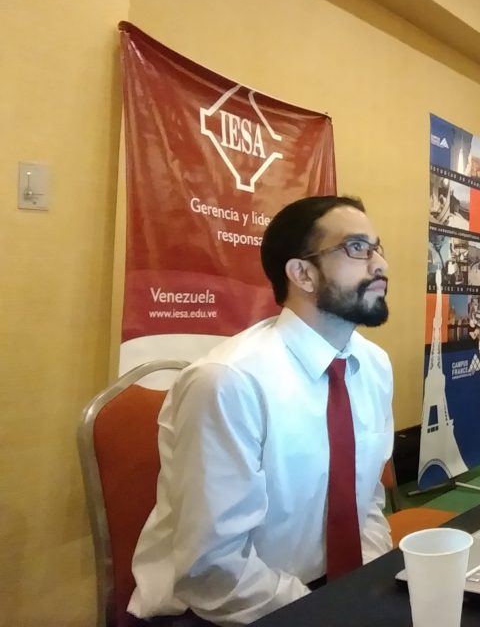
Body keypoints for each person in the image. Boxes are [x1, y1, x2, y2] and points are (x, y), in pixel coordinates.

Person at [129, 196, 394, 626]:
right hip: (227, 609)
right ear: (302, 273)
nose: (380, 264)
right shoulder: (229, 381)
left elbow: (367, 503)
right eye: (356, 248)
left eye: (377, 248)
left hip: (332, 592)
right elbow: (214, 571)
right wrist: (327, 611)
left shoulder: (373, 366)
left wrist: (367, 589)